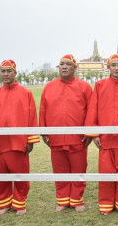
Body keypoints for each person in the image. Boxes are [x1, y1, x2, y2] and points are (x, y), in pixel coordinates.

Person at [0, 59, 40, 216]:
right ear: (0, 73)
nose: (6, 74)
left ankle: (19, 203)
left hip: (19, 143)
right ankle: (4, 204)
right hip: (0, 143)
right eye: (3, 71)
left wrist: (30, 140)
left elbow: (32, 117)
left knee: (21, 175)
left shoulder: (25, 93)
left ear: (15, 73)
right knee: (0, 177)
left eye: (9, 71)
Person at [85, 54, 118, 215]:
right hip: (106, 139)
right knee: (106, 172)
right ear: (108, 67)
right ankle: (106, 204)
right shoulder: (100, 85)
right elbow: (93, 109)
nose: (116, 68)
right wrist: (94, 134)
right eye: (113, 65)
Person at [39, 54, 92, 212]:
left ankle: (77, 199)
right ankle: (62, 200)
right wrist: (44, 132)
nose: (64, 67)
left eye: (68, 64)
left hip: (77, 138)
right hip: (55, 137)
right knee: (60, 169)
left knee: (78, 168)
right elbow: (42, 110)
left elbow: (91, 111)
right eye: (61, 64)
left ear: (75, 68)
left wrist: (89, 132)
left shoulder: (84, 87)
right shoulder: (49, 87)